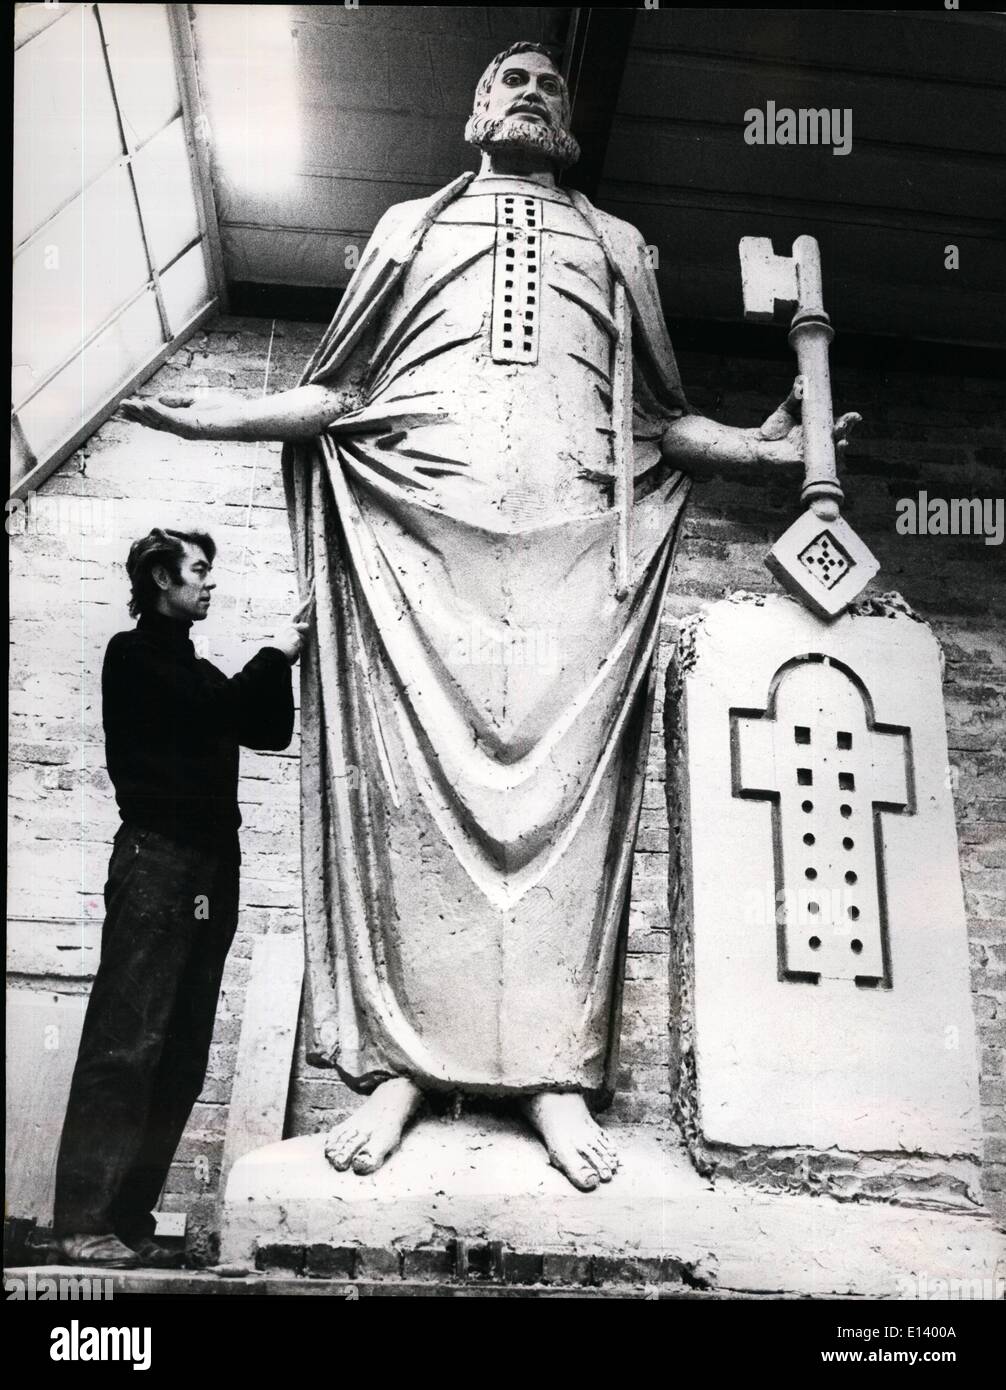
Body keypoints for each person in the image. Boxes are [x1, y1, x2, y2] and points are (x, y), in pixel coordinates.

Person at [120, 44, 858, 1193]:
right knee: (412, 812)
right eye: (509, 79)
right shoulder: (411, 228)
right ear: (471, 110)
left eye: (551, 85)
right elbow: (342, 393)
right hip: (427, 550)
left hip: (572, 562)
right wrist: (212, 420)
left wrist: (759, 449)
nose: (531, 91)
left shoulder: (618, 246)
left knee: (576, 810)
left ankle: (556, 1074)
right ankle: (407, 1073)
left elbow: (661, 421)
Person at [52, 528, 310, 1267]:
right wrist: (279, 653)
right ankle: (82, 1221)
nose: (210, 583)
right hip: (159, 866)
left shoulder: (193, 669)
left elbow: (263, 728)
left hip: (205, 874)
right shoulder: (133, 657)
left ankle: (127, 1220)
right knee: (127, 1042)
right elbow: (216, 712)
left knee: (181, 1053)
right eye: (199, 572)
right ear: (162, 578)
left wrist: (286, 659)